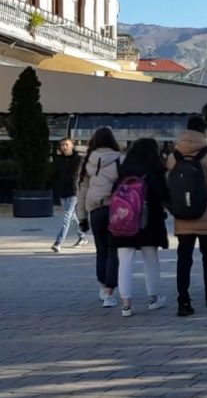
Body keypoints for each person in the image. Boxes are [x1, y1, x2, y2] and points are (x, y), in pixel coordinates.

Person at [166, 116, 207, 316]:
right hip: (206, 212)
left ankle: (183, 300)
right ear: (203, 131)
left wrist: (174, 207)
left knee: (184, 258)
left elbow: (169, 186)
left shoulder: (173, 157)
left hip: (183, 215)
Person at [110, 138, 169, 317]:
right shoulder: (155, 172)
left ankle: (126, 305)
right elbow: (163, 196)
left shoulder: (124, 172)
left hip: (124, 221)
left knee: (125, 261)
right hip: (149, 222)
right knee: (151, 259)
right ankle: (153, 299)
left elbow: (113, 194)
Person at [76, 127, 123, 308]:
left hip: (95, 210)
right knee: (113, 250)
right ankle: (110, 291)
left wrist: (82, 217)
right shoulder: (120, 159)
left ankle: (103, 286)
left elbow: (82, 192)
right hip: (115, 209)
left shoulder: (88, 161)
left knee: (101, 249)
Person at [51, 138, 88, 252]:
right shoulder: (59, 160)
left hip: (74, 191)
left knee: (67, 216)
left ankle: (58, 242)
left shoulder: (79, 159)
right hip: (62, 191)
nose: (64, 147)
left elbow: (77, 175)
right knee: (72, 217)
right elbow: (55, 174)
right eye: (62, 145)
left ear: (72, 145)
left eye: (66, 144)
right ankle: (82, 236)